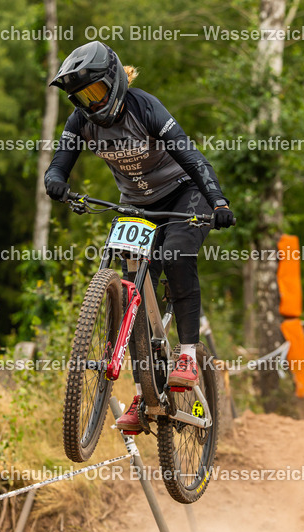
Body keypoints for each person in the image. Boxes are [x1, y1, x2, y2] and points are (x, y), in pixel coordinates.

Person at [45, 41, 234, 433]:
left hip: (185, 194)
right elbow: (57, 167)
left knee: (176, 256)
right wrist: (56, 183)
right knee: (132, 291)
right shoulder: (80, 122)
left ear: (113, 83)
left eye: (95, 91)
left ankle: (185, 357)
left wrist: (216, 201)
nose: (91, 103)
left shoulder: (145, 108)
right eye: (82, 96)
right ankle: (143, 390)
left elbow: (192, 157)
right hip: (136, 206)